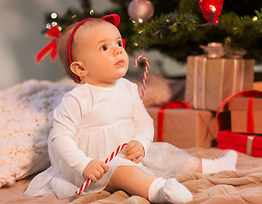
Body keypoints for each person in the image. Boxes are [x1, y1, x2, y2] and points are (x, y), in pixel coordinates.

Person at [23, 14, 238, 203]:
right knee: (124, 173)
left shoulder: (128, 88)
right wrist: (84, 164)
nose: (118, 51)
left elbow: (143, 121)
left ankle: (213, 166)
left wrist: (142, 143)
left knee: (167, 154)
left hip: (126, 152)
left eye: (119, 43)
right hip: (96, 166)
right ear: (81, 68)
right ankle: (158, 191)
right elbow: (60, 138)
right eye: (104, 47)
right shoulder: (77, 99)